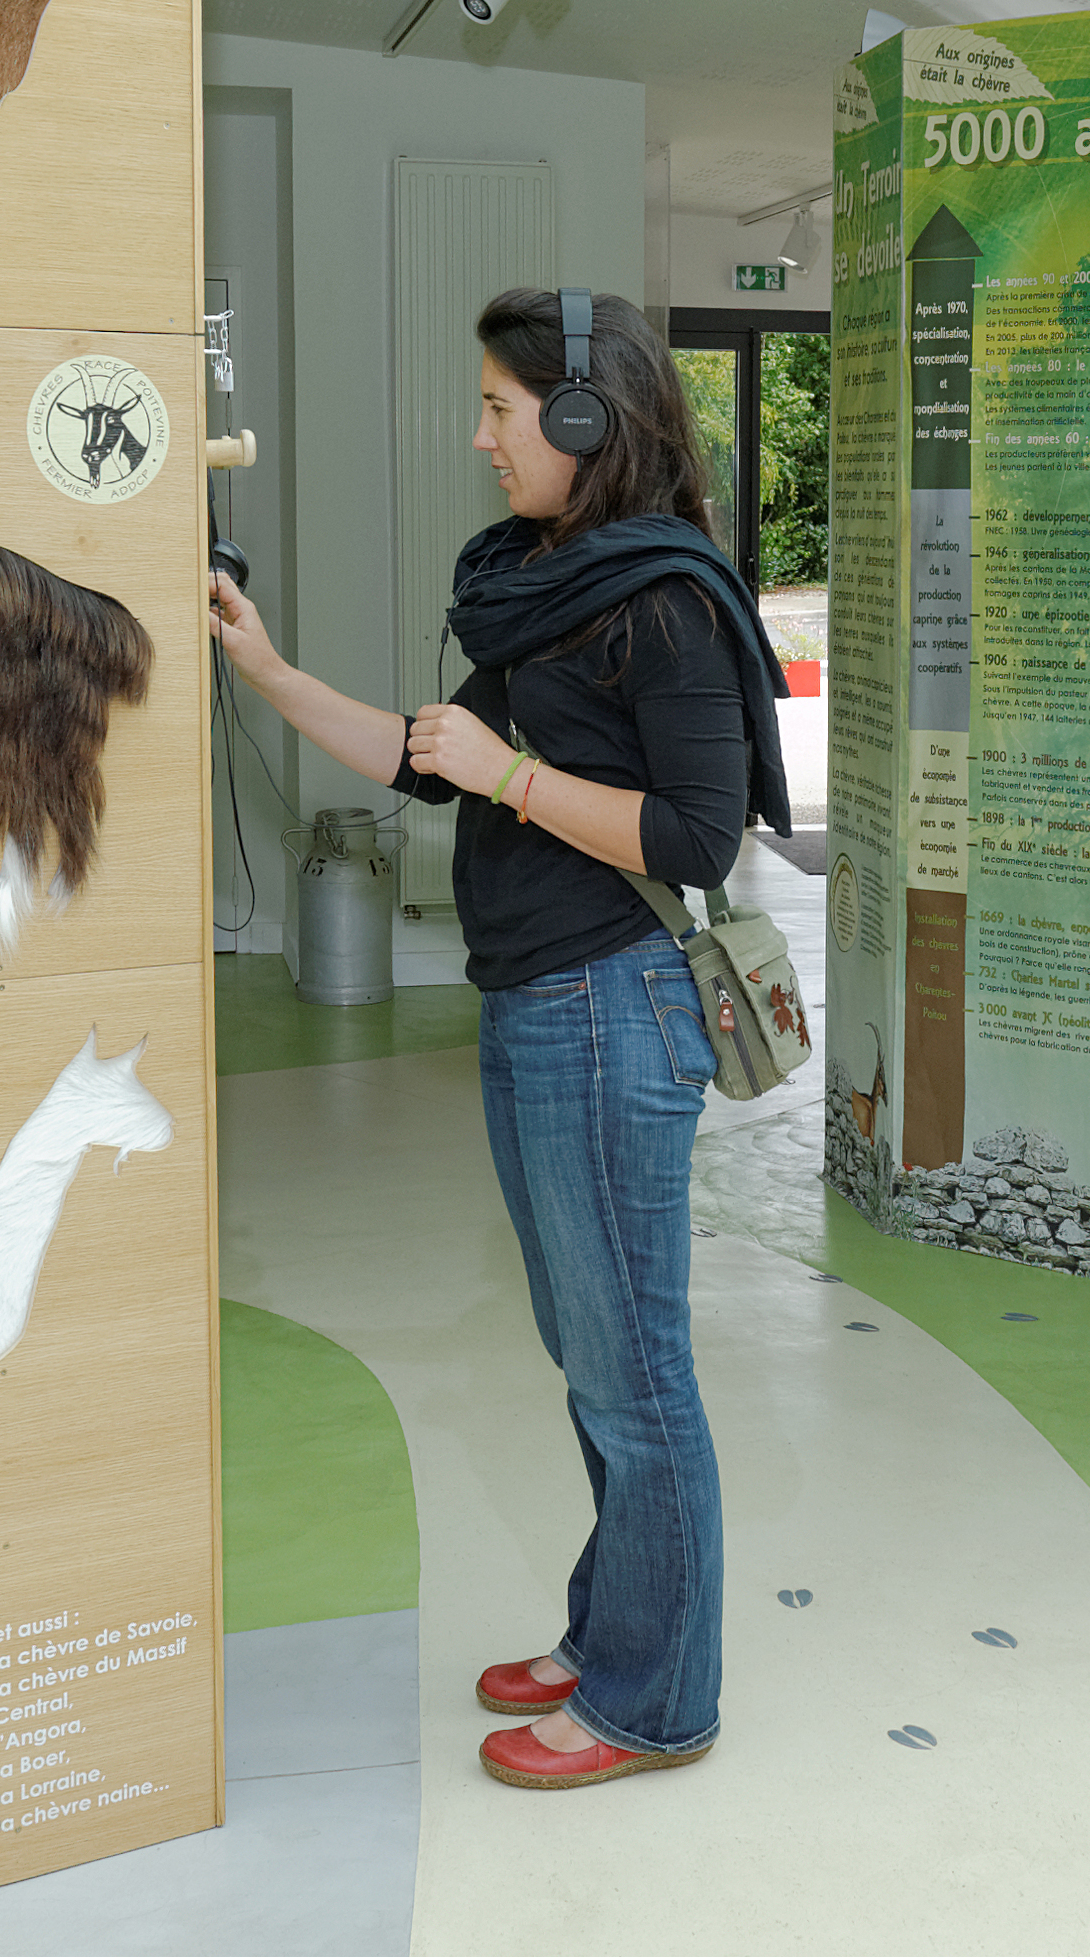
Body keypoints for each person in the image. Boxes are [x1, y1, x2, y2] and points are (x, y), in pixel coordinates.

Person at [206, 286, 789, 1789]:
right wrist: (263, 666)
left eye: (499, 410)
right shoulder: (550, 586)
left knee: (632, 1372)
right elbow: (424, 757)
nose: (481, 438)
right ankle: (616, 1632)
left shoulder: (664, 598)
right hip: (540, 1003)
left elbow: (698, 833)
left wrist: (511, 777)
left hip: (611, 1007)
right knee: (590, 1355)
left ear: (585, 419)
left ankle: (656, 1699)